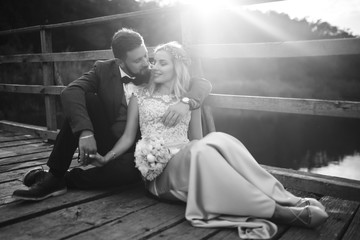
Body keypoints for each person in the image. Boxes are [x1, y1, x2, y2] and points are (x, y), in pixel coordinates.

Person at [87, 41, 328, 238]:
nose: (155, 67)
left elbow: (197, 139)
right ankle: (277, 212)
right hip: (160, 173)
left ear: (176, 68)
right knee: (200, 151)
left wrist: (186, 104)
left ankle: (285, 197)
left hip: (190, 159)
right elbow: (129, 138)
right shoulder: (138, 98)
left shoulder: (188, 101)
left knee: (220, 139)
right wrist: (106, 158)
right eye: (153, 61)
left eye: (162, 63)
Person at [12, 28, 212, 201]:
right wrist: (86, 133)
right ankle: (55, 174)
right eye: (137, 60)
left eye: (145, 56)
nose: (146, 63)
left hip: (140, 147)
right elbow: (70, 92)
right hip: (110, 137)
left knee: (127, 174)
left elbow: (201, 83)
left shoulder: (155, 71)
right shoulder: (103, 69)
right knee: (86, 99)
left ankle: (63, 179)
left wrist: (186, 102)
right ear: (120, 61)